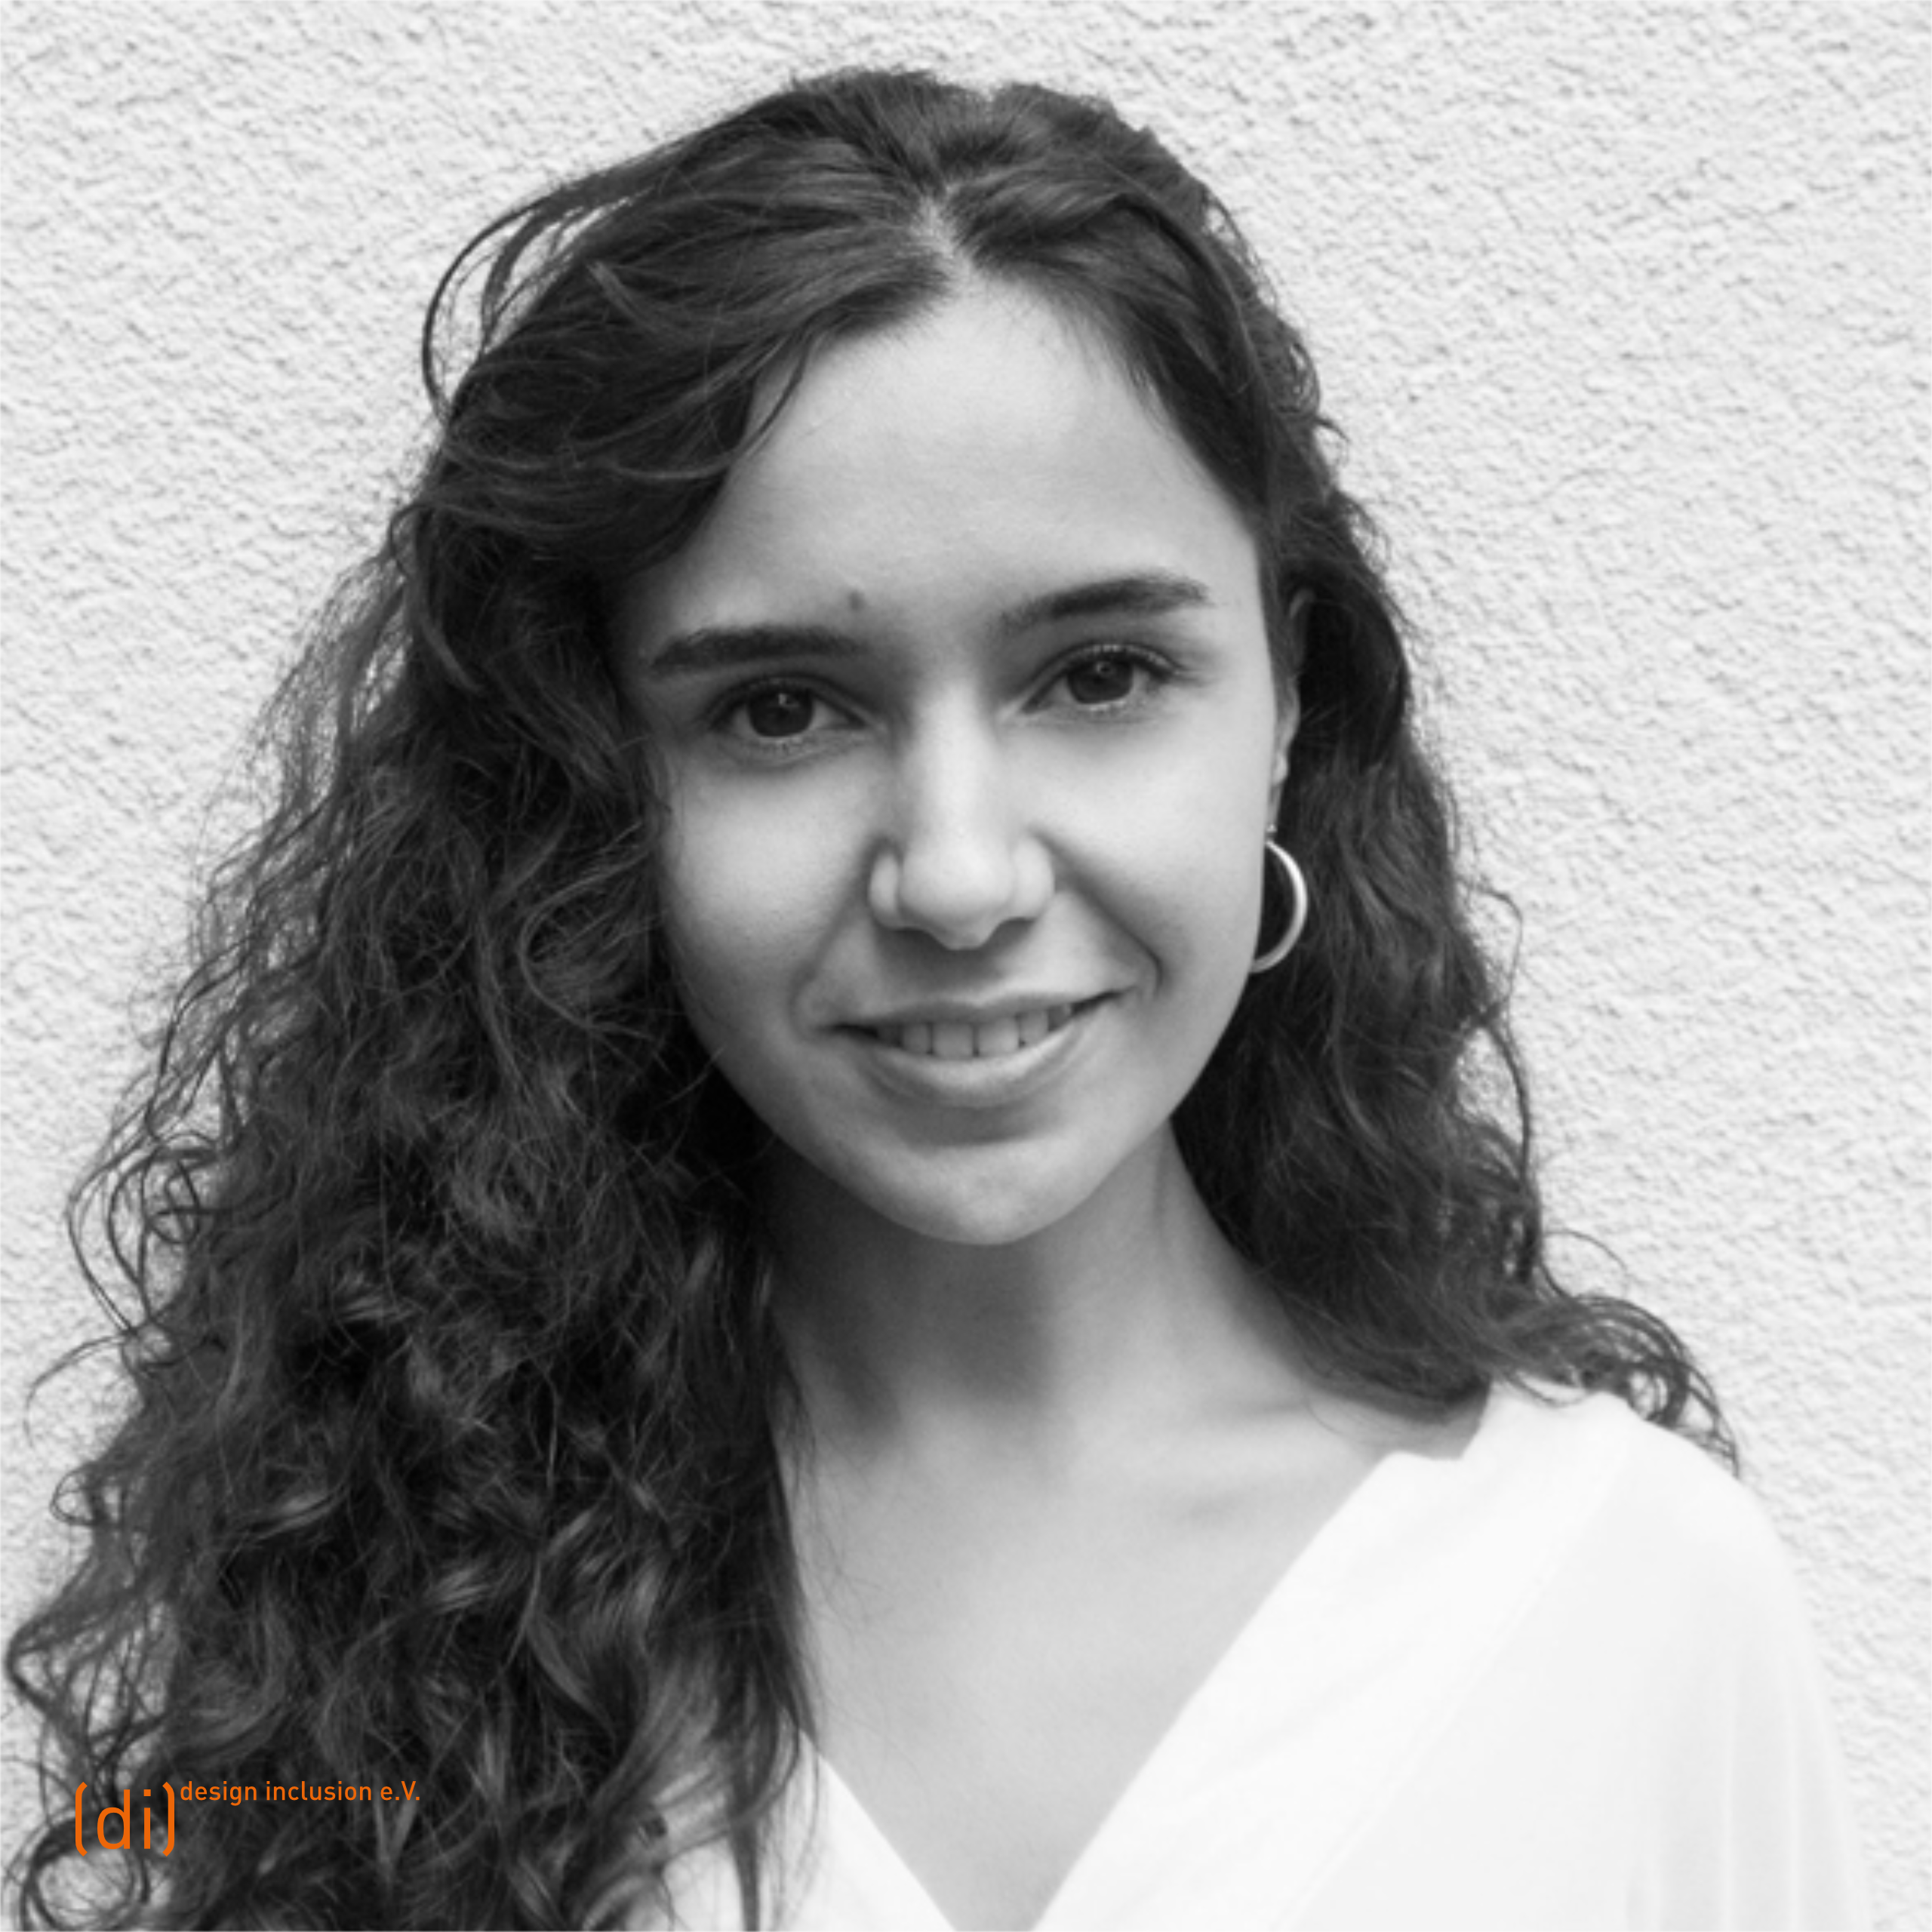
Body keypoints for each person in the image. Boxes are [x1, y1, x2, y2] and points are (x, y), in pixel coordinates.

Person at [8, 66, 1866, 1932]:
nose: (960, 875)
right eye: (780, 709)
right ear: (585, 785)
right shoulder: (393, 1623)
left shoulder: (1625, 1606)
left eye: (1100, 672)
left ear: (1289, 702)